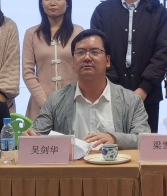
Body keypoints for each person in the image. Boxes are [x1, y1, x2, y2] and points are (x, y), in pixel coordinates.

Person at [23, 29, 151, 149]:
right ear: (73, 61)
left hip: (114, 165)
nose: (87, 57)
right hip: (73, 166)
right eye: (80, 52)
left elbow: (143, 139)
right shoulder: (56, 100)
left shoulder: (131, 100)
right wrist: (29, 137)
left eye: (95, 52)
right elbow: (36, 135)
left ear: (107, 61)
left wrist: (115, 138)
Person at [90, 0, 167, 131]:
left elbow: (162, 53)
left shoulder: (158, 12)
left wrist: (143, 90)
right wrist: (115, 90)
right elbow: (97, 51)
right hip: (108, 94)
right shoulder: (103, 10)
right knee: (110, 143)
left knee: (145, 144)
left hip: (147, 96)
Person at [22, 0, 84, 120]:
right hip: (40, 107)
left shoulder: (79, 32)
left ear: (67, 3)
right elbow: (28, 73)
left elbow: (83, 69)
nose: (52, 2)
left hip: (73, 105)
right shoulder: (32, 34)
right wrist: (45, 104)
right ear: (41, 3)